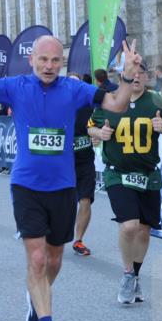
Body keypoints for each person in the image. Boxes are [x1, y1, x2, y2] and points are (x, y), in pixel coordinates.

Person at [0, 30, 136, 321]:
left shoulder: (74, 89)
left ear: (63, 62)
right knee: (37, 259)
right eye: (43, 59)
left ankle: (36, 297)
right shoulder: (14, 86)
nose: (48, 65)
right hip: (26, 186)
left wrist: (127, 75)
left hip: (63, 187)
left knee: (54, 260)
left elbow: (117, 103)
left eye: (55, 60)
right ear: (31, 59)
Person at [89, 62, 162, 304]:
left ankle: (136, 276)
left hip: (148, 174)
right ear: (123, 76)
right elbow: (90, 128)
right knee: (129, 226)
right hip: (117, 173)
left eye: (142, 73)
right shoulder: (110, 100)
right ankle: (128, 273)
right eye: (133, 73)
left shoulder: (156, 101)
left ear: (147, 76)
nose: (137, 76)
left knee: (143, 230)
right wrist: (100, 134)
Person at [68, 72, 97, 257]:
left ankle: (78, 240)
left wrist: (97, 135)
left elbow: (99, 125)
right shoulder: (56, 105)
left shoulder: (89, 105)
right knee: (61, 202)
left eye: (76, 85)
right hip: (62, 162)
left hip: (85, 160)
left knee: (85, 200)